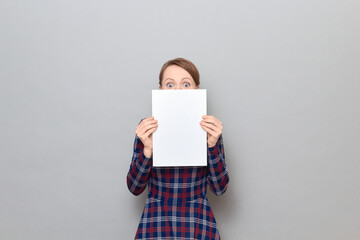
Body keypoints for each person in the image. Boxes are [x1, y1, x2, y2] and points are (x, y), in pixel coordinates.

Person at [127, 57, 229, 240]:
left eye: (186, 84)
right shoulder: (147, 128)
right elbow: (135, 187)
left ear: (197, 90)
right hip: (156, 219)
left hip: (198, 220)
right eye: (170, 84)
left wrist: (212, 145)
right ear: (160, 90)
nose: (178, 90)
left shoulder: (210, 130)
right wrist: (147, 151)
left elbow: (220, 188)